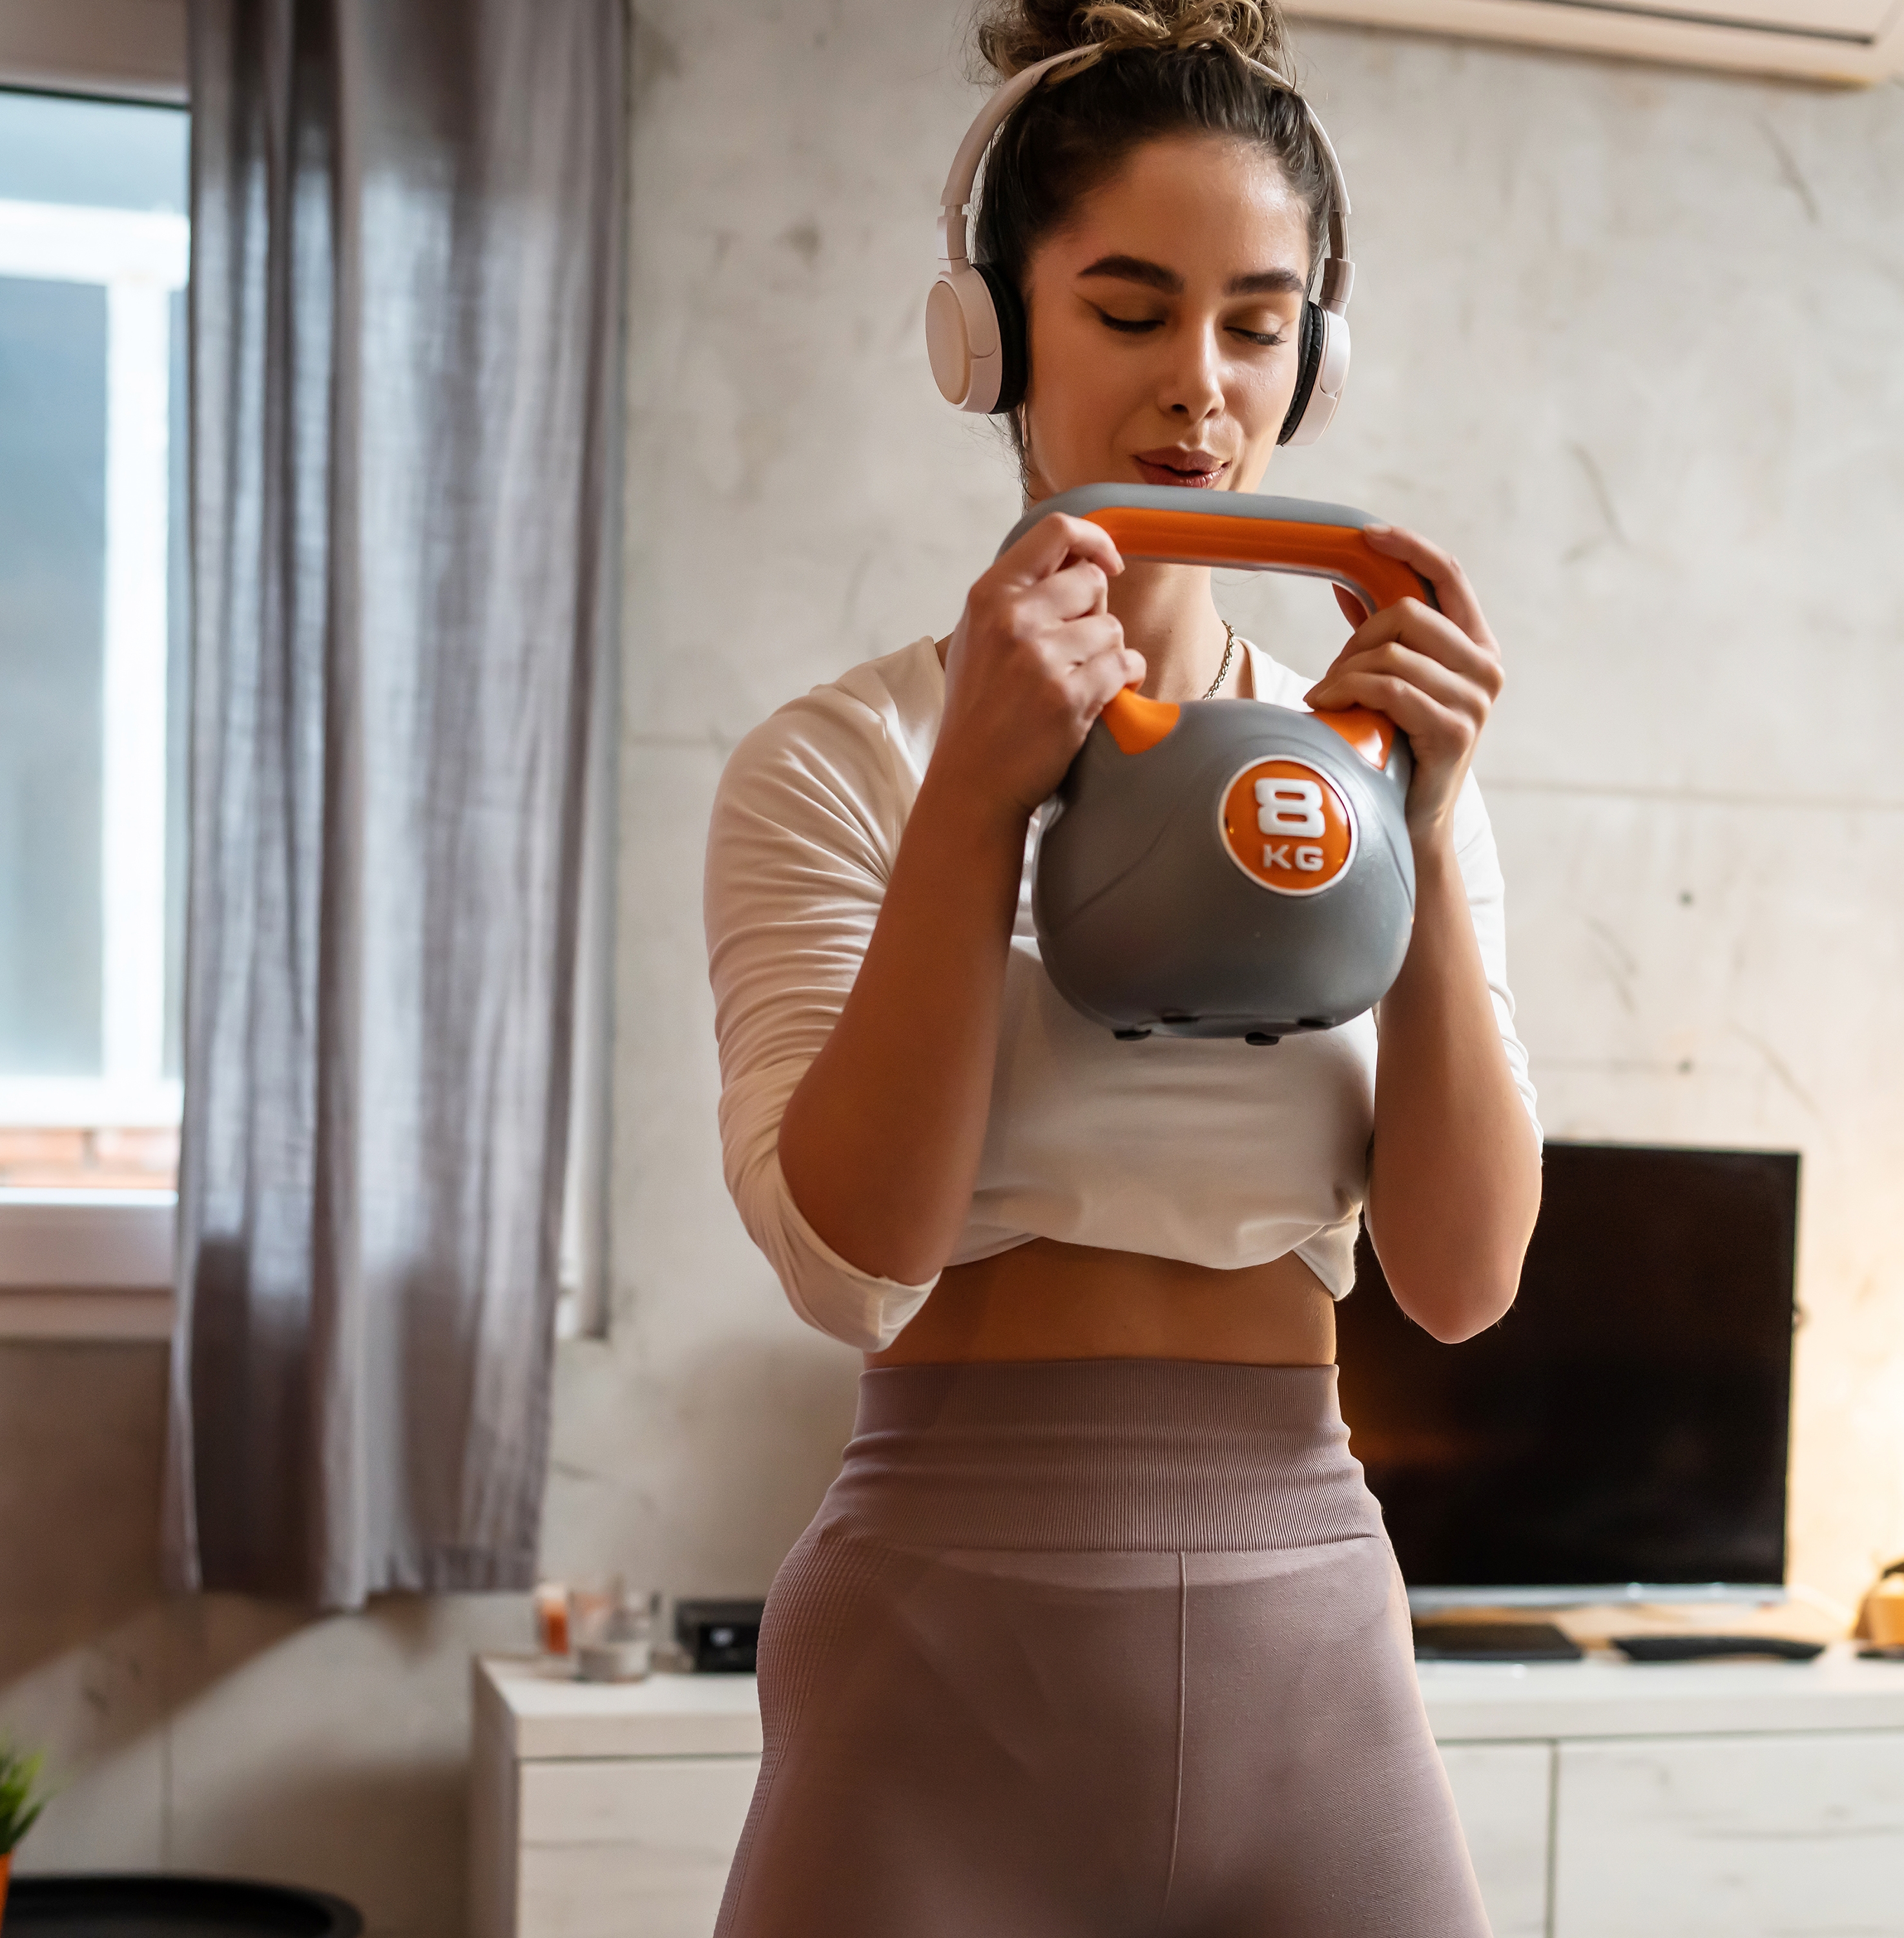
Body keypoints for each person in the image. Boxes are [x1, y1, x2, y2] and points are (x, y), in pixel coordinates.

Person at [702, 1, 1542, 1930]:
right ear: (990, 334)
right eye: (1131, 308)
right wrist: (977, 801)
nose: (1198, 385)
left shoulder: (1374, 768)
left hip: (1308, 1652)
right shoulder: (839, 767)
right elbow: (851, 1263)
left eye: (1256, 322)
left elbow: (1463, 1275)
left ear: (1310, 358)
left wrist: (1409, 818)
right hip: (934, 1675)